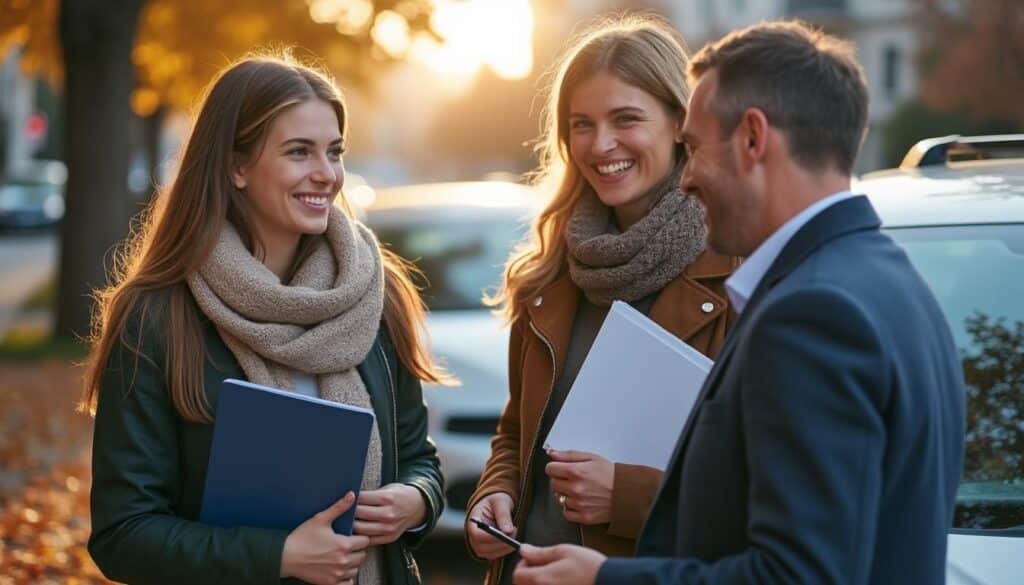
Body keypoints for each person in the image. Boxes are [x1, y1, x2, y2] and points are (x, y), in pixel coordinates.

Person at [511, 20, 966, 585]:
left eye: (695, 148)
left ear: (753, 138)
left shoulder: (813, 315)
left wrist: (606, 579)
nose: (688, 178)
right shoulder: (894, 280)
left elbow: (795, 575)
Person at [83, 55, 446, 585]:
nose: (326, 173)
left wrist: (415, 500)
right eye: (299, 152)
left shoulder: (374, 293)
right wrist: (276, 556)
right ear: (236, 166)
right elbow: (123, 534)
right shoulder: (157, 316)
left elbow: (418, 458)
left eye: (334, 151)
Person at [464, 15, 740, 585]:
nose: (601, 144)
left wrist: (629, 495)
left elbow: (755, 485)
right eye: (582, 124)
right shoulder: (549, 276)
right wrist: (495, 490)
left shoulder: (736, 279)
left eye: (626, 119)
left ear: (680, 125)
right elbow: (517, 430)